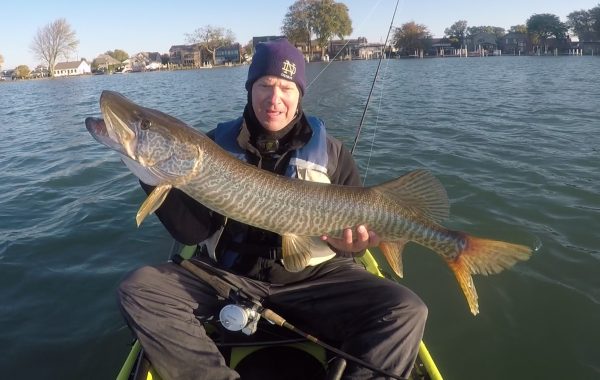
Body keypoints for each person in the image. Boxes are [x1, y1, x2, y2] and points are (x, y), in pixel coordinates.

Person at [118, 38, 427, 380]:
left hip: (315, 282)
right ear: (250, 88)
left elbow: (350, 234)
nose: (274, 98)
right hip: (229, 277)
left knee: (406, 310)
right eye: (265, 84)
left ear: (299, 94)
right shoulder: (210, 148)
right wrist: (150, 175)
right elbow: (192, 234)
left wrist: (350, 245)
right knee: (140, 289)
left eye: (286, 87)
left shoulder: (334, 154)